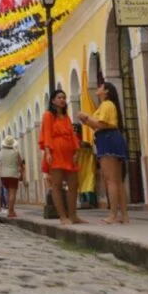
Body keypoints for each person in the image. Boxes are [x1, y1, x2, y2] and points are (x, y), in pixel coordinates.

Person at [79, 81, 129, 224]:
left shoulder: (107, 105)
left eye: (101, 87)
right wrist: (86, 120)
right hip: (108, 138)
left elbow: (101, 125)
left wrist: (86, 118)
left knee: (111, 180)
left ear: (106, 91)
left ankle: (113, 214)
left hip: (107, 140)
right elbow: (97, 125)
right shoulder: (106, 105)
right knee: (117, 181)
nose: (98, 88)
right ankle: (123, 216)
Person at [41, 89, 86, 226]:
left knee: (73, 184)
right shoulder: (48, 115)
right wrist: (48, 152)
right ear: (53, 100)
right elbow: (47, 133)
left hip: (68, 152)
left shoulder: (66, 116)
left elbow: (72, 135)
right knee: (57, 185)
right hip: (55, 152)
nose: (62, 99)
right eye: (59, 97)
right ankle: (62, 216)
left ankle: (73, 215)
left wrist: (76, 151)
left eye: (64, 97)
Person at [0, 136, 25, 218]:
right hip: (13, 174)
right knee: (12, 193)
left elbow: (0, 163)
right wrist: (22, 172)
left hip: (4, 175)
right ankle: (11, 211)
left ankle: (11, 210)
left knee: (8, 193)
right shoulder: (16, 152)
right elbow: (20, 163)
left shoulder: (1, 152)